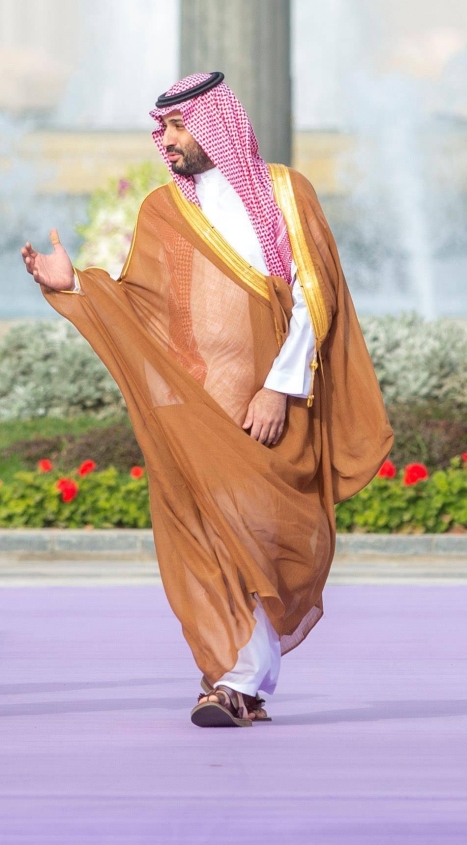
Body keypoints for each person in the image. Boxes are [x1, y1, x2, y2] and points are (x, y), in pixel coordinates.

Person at [21, 72, 392, 727]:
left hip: (271, 405)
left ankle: (237, 679)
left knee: (261, 540)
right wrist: (74, 284)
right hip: (195, 409)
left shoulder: (286, 193)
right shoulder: (163, 210)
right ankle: (233, 681)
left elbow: (315, 297)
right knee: (207, 539)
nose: (166, 141)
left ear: (217, 125)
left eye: (178, 127)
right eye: (162, 129)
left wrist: (277, 387)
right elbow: (142, 307)